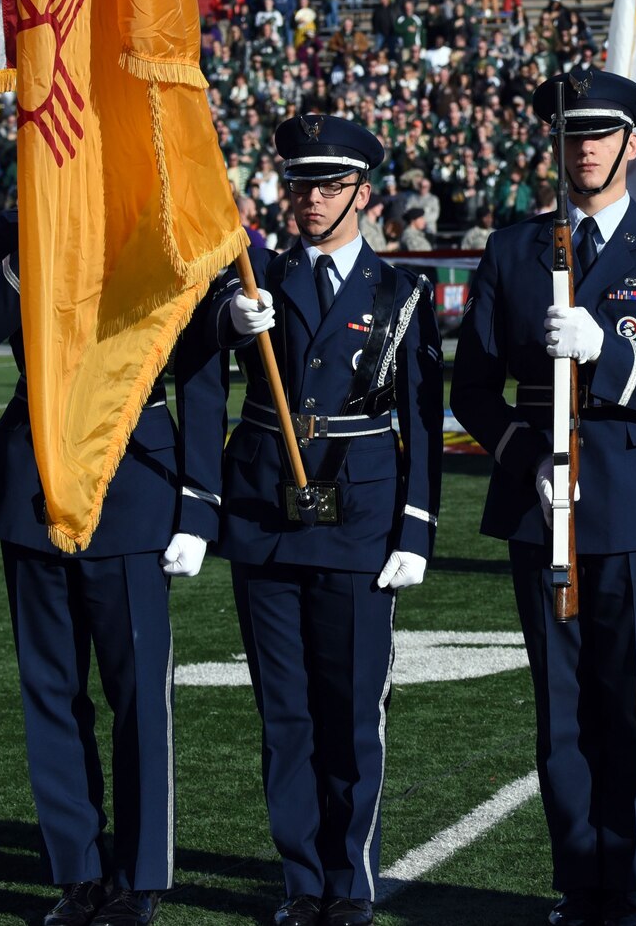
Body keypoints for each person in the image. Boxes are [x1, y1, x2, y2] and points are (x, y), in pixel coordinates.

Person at [450, 67, 636, 926]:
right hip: (545, 501)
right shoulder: (512, 250)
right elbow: (473, 389)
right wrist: (523, 448)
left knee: (630, 697)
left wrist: (611, 352)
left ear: (632, 145)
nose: (586, 148)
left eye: (602, 135)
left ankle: (627, 878)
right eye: (573, 135)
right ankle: (578, 876)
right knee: (560, 706)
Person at [202, 114, 442, 926]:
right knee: (286, 708)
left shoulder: (398, 292)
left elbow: (421, 416)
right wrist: (224, 323)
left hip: (359, 514)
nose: (310, 199)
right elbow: (194, 370)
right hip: (268, 508)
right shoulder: (249, 277)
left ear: (364, 195)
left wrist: (415, 528)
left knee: (349, 708)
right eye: (301, 184)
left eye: (330, 185)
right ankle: (302, 878)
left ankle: (350, 877)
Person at [0, 209, 227, 926]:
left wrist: (200, 502)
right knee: (50, 691)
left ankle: (140, 874)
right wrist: (28, 240)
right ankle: (77, 869)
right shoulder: (23, 219)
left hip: (133, 483)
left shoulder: (158, 225)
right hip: (35, 485)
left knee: (138, 693)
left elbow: (199, 366)